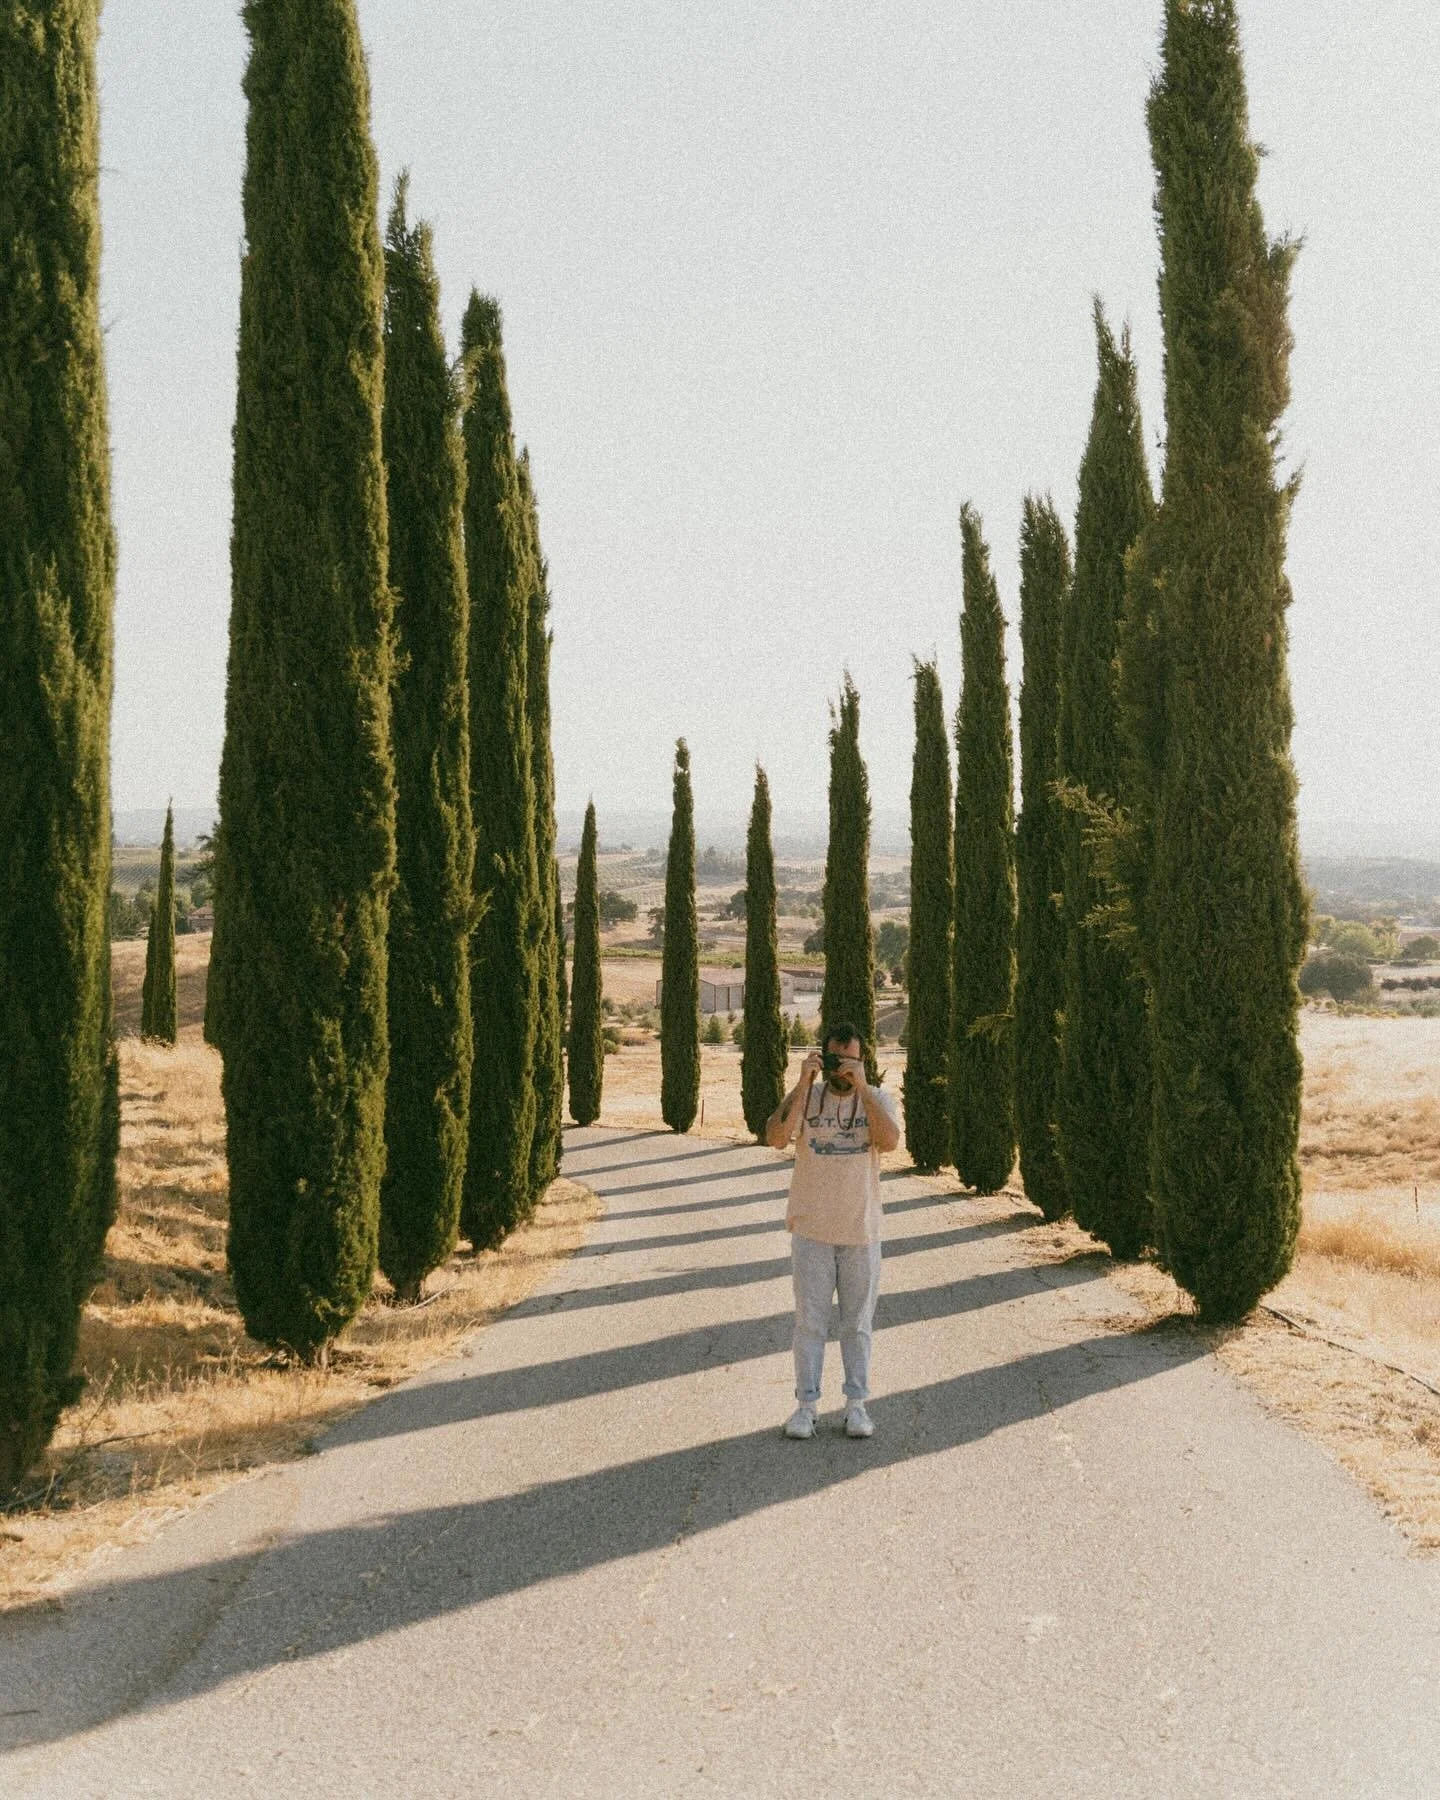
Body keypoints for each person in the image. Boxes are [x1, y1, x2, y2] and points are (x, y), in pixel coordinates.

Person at [765, 1021, 900, 1439]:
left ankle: (856, 1405)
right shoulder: (810, 1097)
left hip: (860, 1233)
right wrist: (801, 1082)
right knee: (810, 1323)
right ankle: (806, 1406)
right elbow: (775, 1136)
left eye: (851, 1062)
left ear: (862, 1062)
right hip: (812, 1232)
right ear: (823, 1061)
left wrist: (862, 1088)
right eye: (835, 1062)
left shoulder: (877, 1098)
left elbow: (891, 1141)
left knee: (857, 1325)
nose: (842, 1071)